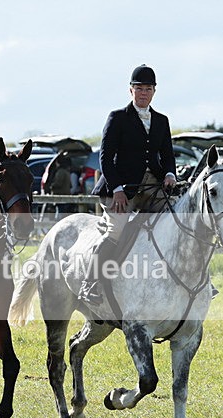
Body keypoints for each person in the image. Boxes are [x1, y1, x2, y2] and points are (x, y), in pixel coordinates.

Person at [78, 64, 177, 305]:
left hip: (152, 186)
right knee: (116, 230)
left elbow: (168, 155)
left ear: (154, 91)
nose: (144, 93)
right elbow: (105, 158)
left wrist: (170, 174)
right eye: (139, 88)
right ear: (130, 90)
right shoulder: (118, 117)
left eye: (148, 89)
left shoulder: (162, 120)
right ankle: (91, 283)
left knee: (176, 224)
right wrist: (117, 189)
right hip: (122, 187)